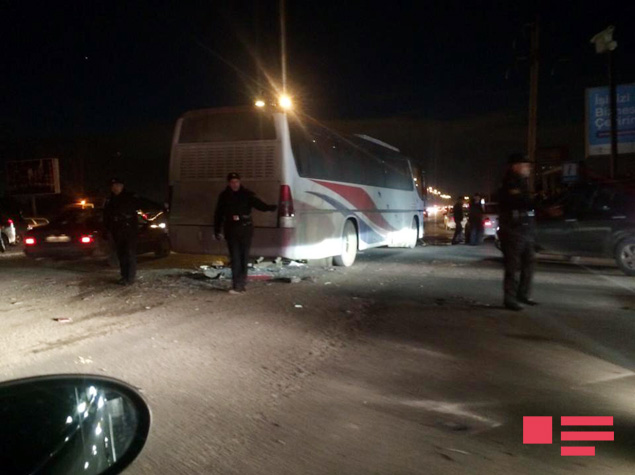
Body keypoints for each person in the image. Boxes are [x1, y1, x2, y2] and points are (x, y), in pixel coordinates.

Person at [214, 173, 277, 294]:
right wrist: (217, 230)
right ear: (229, 183)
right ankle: (237, 285)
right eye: (232, 182)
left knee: (244, 257)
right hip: (231, 229)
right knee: (235, 258)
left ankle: (242, 283)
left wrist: (271, 208)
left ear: (239, 182)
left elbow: (259, 205)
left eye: (236, 181)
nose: (235, 184)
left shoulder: (246, 194)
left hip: (245, 229)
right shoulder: (224, 196)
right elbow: (218, 214)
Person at [498, 153, 537, 311]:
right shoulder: (510, 182)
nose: (528, 168)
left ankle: (523, 294)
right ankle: (510, 299)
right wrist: (534, 201)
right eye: (525, 165)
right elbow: (519, 202)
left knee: (529, 262)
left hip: (524, 228)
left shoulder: (522, 182)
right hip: (513, 228)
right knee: (513, 265)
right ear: (515, 166)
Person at [104, 177, 140, 286]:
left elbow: (134, 212)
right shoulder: (110, 199)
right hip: (116, 230)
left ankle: (130, 277)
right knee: (121, 254)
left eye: (118, 185)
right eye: (113, 185)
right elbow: (106, 215)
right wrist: (107, 228)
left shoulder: (129, 197)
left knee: (129, 253)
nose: (115, 187)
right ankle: (124, 276)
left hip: (128, 229)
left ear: (122, 186)